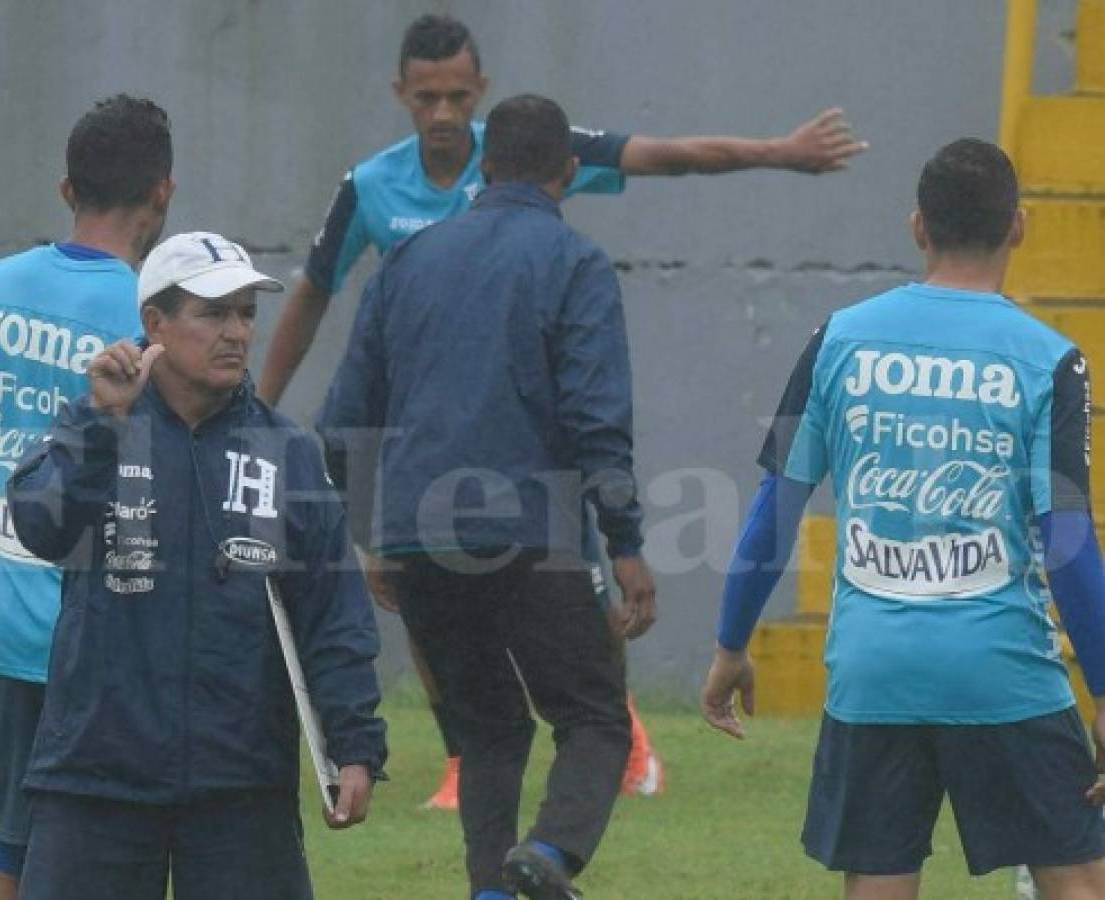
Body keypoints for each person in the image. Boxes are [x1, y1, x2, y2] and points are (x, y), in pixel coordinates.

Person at [262, 12, 866, 809]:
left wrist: (779, 155)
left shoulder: (524, 152)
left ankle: (620, 735)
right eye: (425, 98)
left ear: (478, 91)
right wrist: (258, 408)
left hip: (525, 416)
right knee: (439, 596)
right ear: (401, 95)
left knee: (577, 580)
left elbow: (665, 157)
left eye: (455, 96)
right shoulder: (371, 186)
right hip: (438, 424)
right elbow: (312, 292)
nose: (442, 114)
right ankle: (472, 756)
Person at [701, 138, 1105, 900]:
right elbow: (1068, 541)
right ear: (1018, 226)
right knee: (1078, 883)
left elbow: (774, 508)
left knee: (878, 888)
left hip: (871, 670)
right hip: (1000, 672)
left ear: (917, 227)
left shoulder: (837, 339)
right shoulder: (1048, 359)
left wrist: (730, 642)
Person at [319, 93, 655, 900]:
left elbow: (339, 425)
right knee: (595, 717)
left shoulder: (407, 263)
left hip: (416, 536)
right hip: (528, 532)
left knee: (489, 725)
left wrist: (374, 534)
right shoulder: (574, 264)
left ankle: (494, 890)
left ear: (483, 165)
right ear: (568, 174)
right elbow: (594, 415)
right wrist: (626, 542)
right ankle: (548, 855)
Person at [5, 232, 387, 900]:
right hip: (96, 777)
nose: (236, 332)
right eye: (212, 313)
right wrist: (102, 422)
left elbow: (334, 616)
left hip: (241, 786)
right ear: (153, 321)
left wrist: (352, 745)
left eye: (245, 313)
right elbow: (38, 526)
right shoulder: (95, 421)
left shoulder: (286, 454)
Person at [0, 94, 174, 900]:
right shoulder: (149, 317)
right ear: (163, 193)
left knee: (12, 855)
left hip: (6, 629)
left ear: (66, 189)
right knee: (116, 859)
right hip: (103, 638)